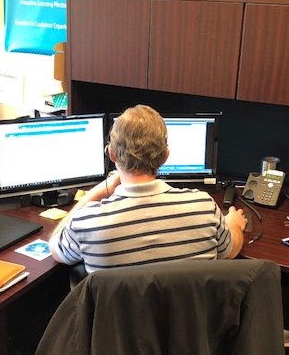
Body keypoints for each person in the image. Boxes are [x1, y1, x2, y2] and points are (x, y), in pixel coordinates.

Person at [49, 104, 247, 272]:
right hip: (187, 308)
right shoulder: (203, 206)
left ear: (112, 154)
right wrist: (236, 226)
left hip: (117, 309)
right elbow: (229, 252)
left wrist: (97, 191)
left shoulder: (87, 221)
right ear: (165, 156)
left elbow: (55, 249)